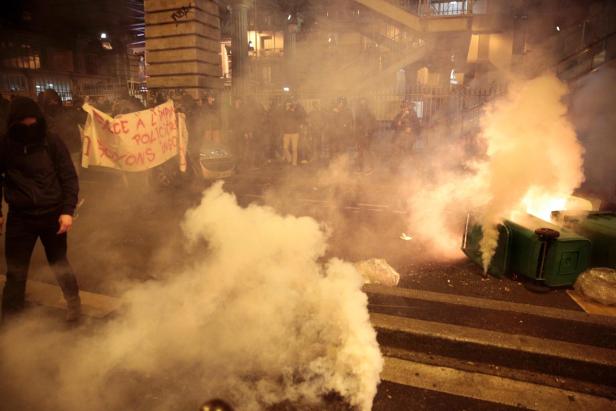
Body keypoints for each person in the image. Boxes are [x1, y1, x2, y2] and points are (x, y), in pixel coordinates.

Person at [0, 97, 81, 323]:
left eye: (32, 123)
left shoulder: (52, 142)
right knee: (15, 272)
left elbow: (68, 178)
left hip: (52, 215)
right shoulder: (5, 145)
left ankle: (74, 304)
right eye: (23, 125)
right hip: (20, 217)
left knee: (59, 263)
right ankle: (11, 318)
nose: (29, 129)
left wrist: (67, 210)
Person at [354, 98, 377, 173]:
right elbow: (357, 124)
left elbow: (373, 124)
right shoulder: (359, 113)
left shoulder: (369, 113)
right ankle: (360, 167)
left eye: (364, 103)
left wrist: (368, 133)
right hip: (360, 135)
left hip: (367, 135)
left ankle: (371, 167)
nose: (362, 105)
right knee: (360, 151)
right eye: (361, 103)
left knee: (367, 151)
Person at [280, 99, 305, 166]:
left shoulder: (297, 113)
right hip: (287, 133)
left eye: (295, 105)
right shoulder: (285, 113)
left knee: (294, 149)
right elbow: (282, 121)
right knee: (285, 148)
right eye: (293, 105)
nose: (294, 106)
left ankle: (294, 163)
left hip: (295, 133)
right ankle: (290, 159)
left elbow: (302, 119)